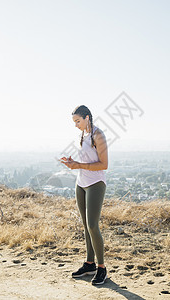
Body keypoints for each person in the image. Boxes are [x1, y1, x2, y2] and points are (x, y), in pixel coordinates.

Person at [59, 105, 108, 285]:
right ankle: (90, 264)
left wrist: (78, 165)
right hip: (81, 184)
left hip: (96, 184)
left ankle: (102, 267)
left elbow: (104, 164)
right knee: (86, 225)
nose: (76, 125)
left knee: (93, 225)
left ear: (87, 117)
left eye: (78, 121)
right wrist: (73, 163)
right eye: (74, 122)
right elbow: (86, 160)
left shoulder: (98, 135)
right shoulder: (83, 135)